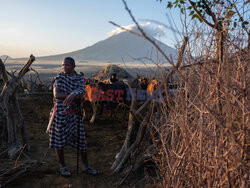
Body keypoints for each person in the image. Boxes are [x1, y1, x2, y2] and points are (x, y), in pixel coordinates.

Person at [47, 57, 98, 176]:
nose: (64, 67)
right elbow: (57, 94)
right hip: (60, 114)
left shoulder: (79, 78)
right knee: (59, 141)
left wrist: (73, 94)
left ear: (74, 66)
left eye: (67, 65)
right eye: (63, 65)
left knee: (81, 141)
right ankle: (63, 167)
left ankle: (86, 166)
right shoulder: (59, 78)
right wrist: (72, 95)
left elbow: (82, 92)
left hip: (75, 114)